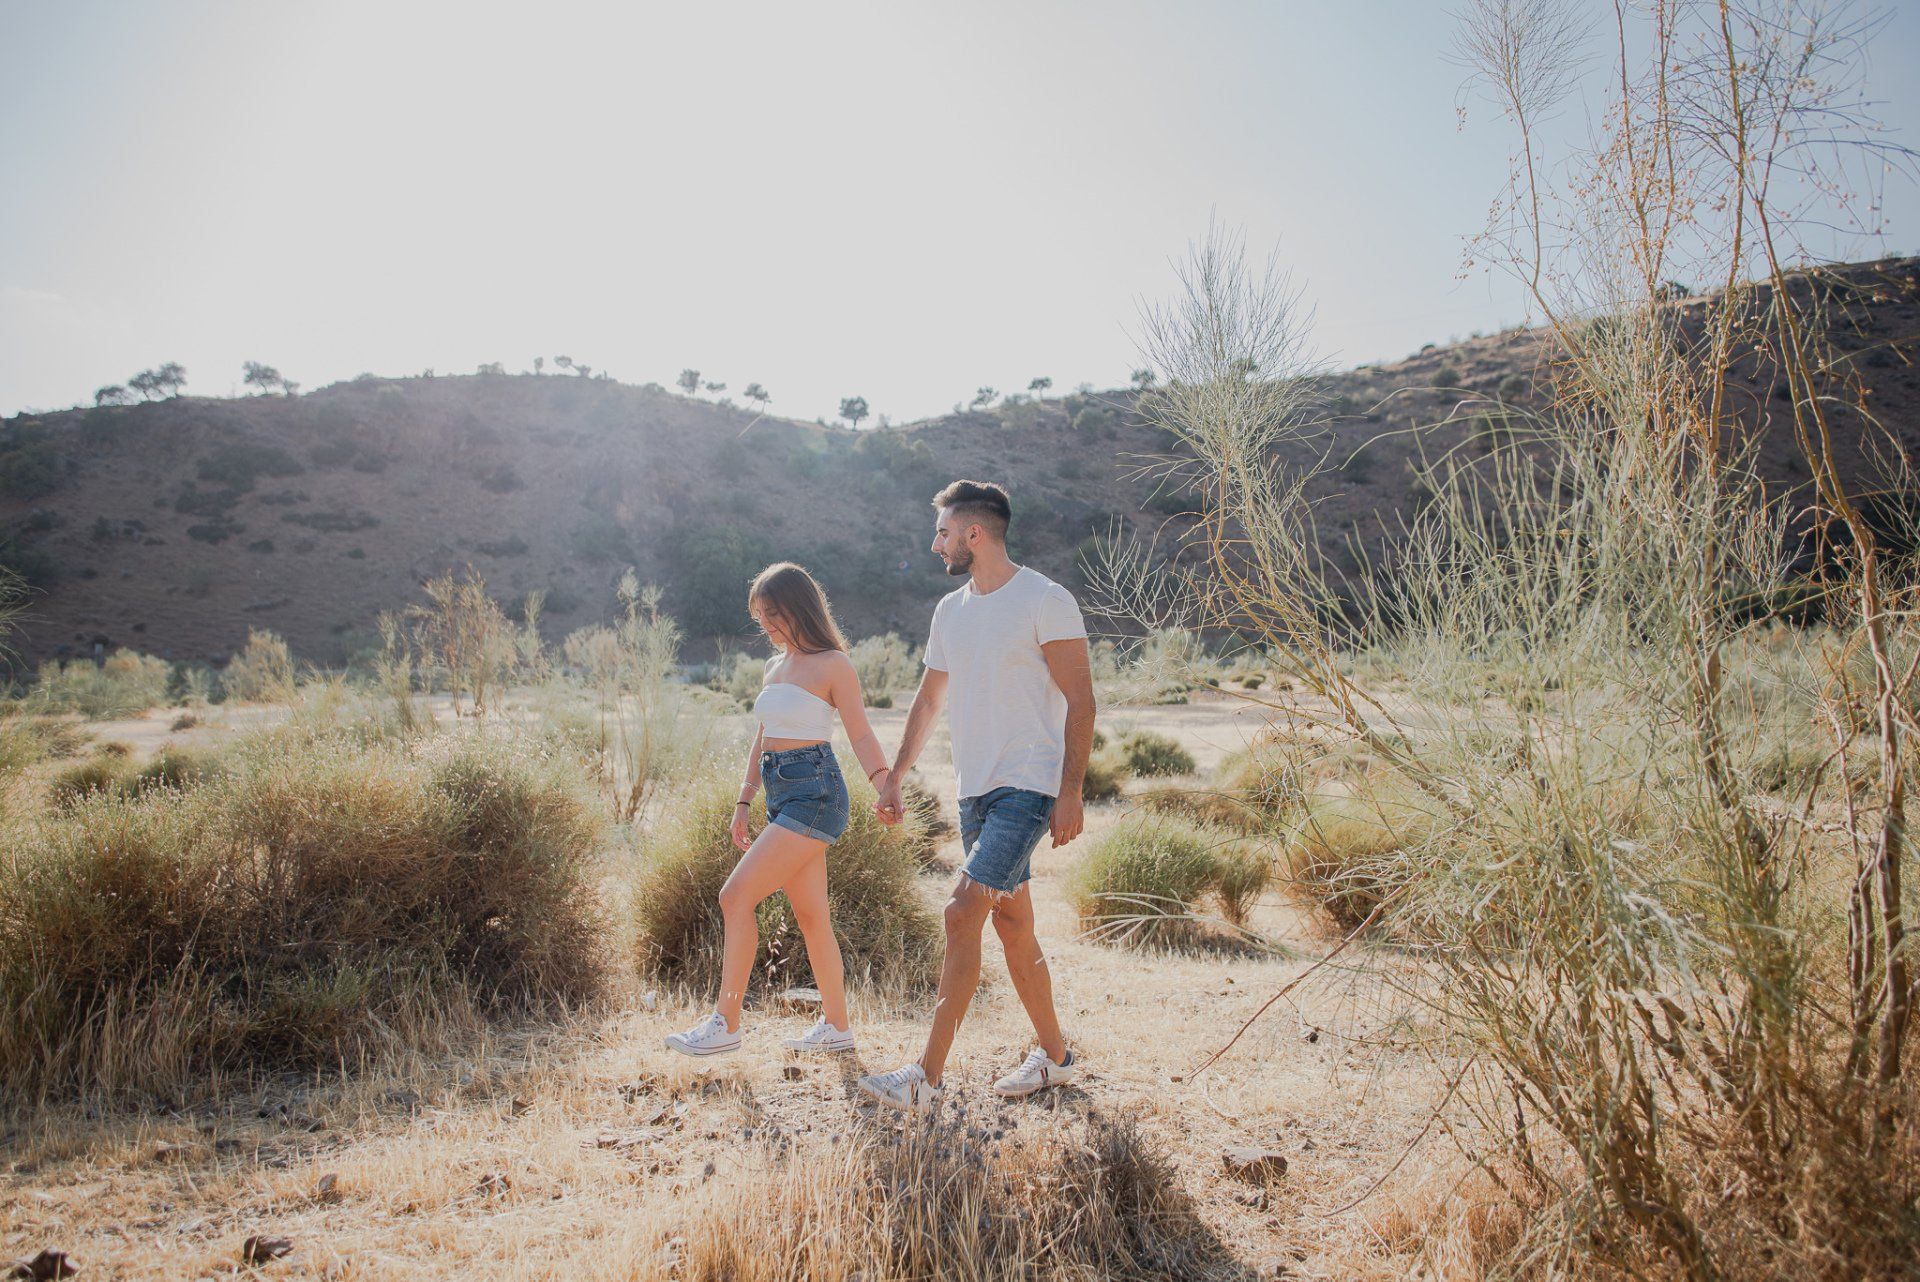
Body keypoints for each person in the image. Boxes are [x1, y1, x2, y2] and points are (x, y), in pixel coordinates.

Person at [859, 480, 1096, 1114]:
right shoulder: (951, 611)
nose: (934, 544)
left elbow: (1081, 700)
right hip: (975, 791)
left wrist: (1071, 791)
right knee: (1014, 925)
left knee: (962, 911)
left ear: (973, 533)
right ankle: (1056, 1058)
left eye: (942, 533)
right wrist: (895, 774)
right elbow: (929, 698)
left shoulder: (1045, 599)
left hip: (1028, 785)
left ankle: (926, 1079)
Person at [663, 562, 894, 1058]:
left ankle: (725, 1023)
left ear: (797, 607)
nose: (765, 624)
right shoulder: (774, 667)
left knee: (734, 897)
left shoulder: (833, 664)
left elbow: (859, 734)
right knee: (812, 917)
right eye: (759, 616)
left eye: (772, 614)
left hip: (817, 794)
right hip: (781, 795)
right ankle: (838, 1029)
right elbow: (763, 737)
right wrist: (744, 800)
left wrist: (885, 785)